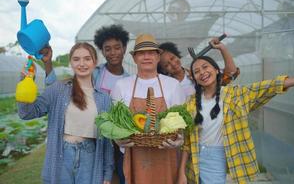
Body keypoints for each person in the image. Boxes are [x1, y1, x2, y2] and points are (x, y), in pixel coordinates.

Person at [177, 55, 294, 184]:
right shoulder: (190, 103)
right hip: (194, 160)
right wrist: (181, 174)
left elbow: (270, 85)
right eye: (196, 71)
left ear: (217, 70)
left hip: (215, 155)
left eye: (205, 67)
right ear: (194, 79)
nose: (202, 72)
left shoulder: (235, 95)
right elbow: (187, 143)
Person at [40, 24, 129, 184]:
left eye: (117, 47)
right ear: (101, 54)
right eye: (107, 49)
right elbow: (60, 93)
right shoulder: (94, 71)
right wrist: (48, 65)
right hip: (92, 136)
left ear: (124, 48)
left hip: (114, 138)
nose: (113, 52)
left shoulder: (129, 80)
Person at [17, 42, 114, 184]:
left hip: (90, 158)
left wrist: (107, 173)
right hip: (61, 156)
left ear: (95, 62)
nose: (82, 63)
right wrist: (25, 82)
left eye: (87, 58)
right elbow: (26, 113)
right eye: (76, 59)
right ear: (71, 63)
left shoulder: (104, 98)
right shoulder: (58, 89)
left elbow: (107, 140)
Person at [111, 34, 185, 184]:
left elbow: (181, 123)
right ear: (134, 58)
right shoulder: (121, 85)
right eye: (141, 53)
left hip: (166, 157)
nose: (146, 57)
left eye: (151, 52)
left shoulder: (173, 85)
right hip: (134, 156)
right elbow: (115, 123)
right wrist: (117, 139)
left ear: (158, 57)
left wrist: (180, 140)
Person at [158, 39, 239, 99]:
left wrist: (222, 48)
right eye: (166, 65)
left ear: (177, 55)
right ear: (164, 70)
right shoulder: (167, 85)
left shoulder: (197, 74)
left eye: (172, 58)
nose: (173, 64)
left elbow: (230, 74)